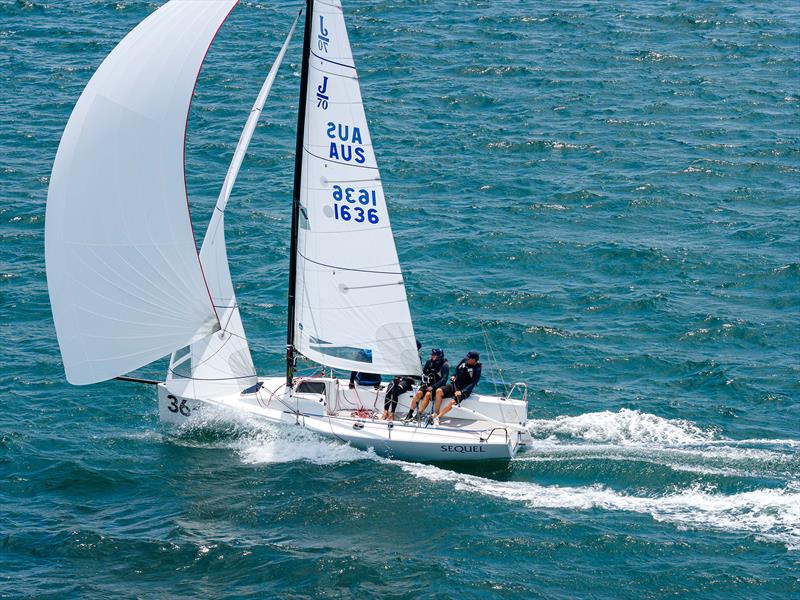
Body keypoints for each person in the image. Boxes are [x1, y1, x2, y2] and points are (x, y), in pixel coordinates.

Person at [430, 351, 482, 426]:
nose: (466, 359)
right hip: (455, 385)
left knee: (452, 402)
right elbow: (457, 369)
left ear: (474, 360)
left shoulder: (477, 369)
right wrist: (454, 375)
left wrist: (462, 391)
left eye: (469, 358)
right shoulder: (464, 360)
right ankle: (436, 413)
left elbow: (473, 383)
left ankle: (438, 417)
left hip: (464, 390)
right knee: (439, 391)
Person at [403, 348, 449, 421]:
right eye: (432, 355)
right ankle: (410, 413)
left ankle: (419, 414)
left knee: (427, 395)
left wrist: (433, 387)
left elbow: (444, 380)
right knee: (419, 393)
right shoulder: (429, 362)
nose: (432, 356)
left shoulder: (445, 365)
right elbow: (423, 372)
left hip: (436, 386)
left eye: (434, 355)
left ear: (439, 357)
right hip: (427, 384)